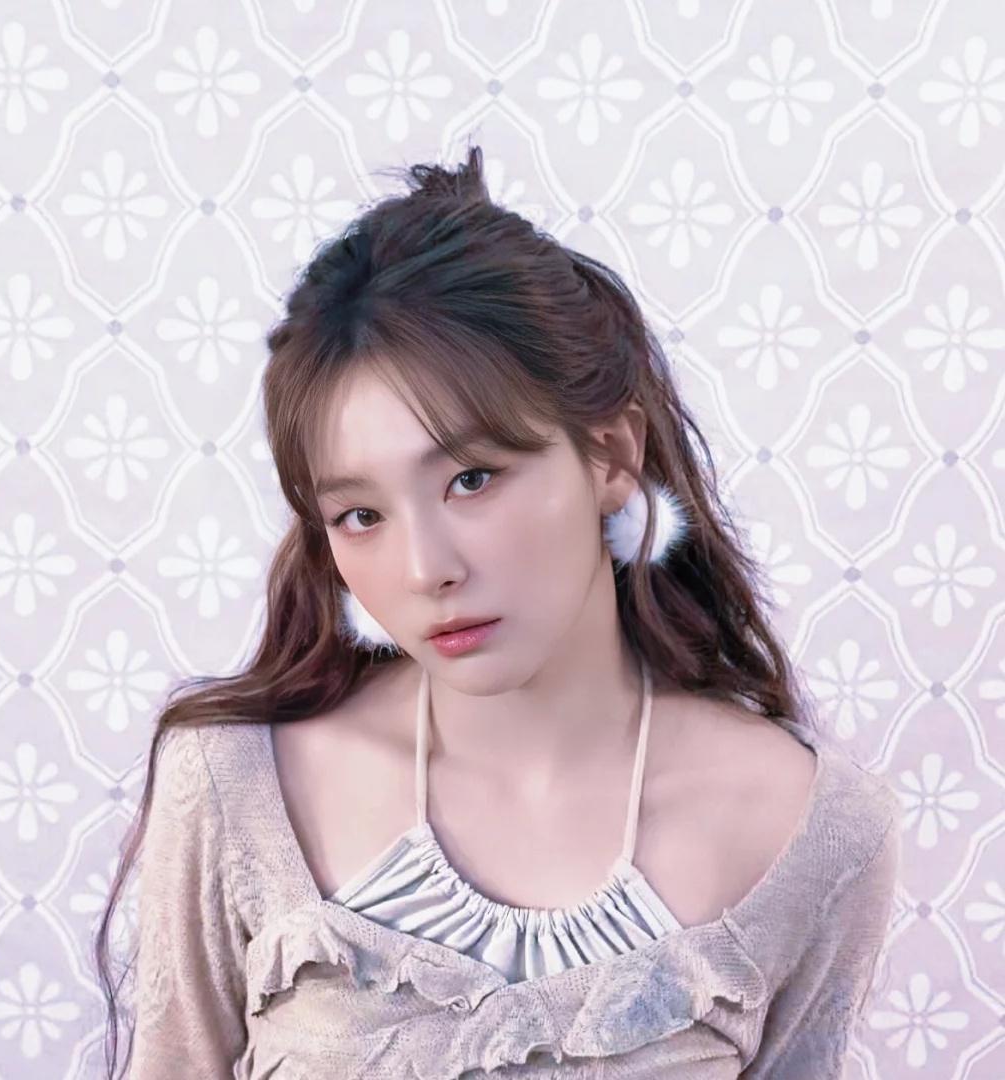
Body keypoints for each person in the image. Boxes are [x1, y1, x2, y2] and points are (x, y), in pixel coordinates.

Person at [94, 144, 902, 1079]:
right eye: (361, 516)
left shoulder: (812, 829)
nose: (425, 568)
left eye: (472, 479)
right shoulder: (235, 785)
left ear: (610, 456)